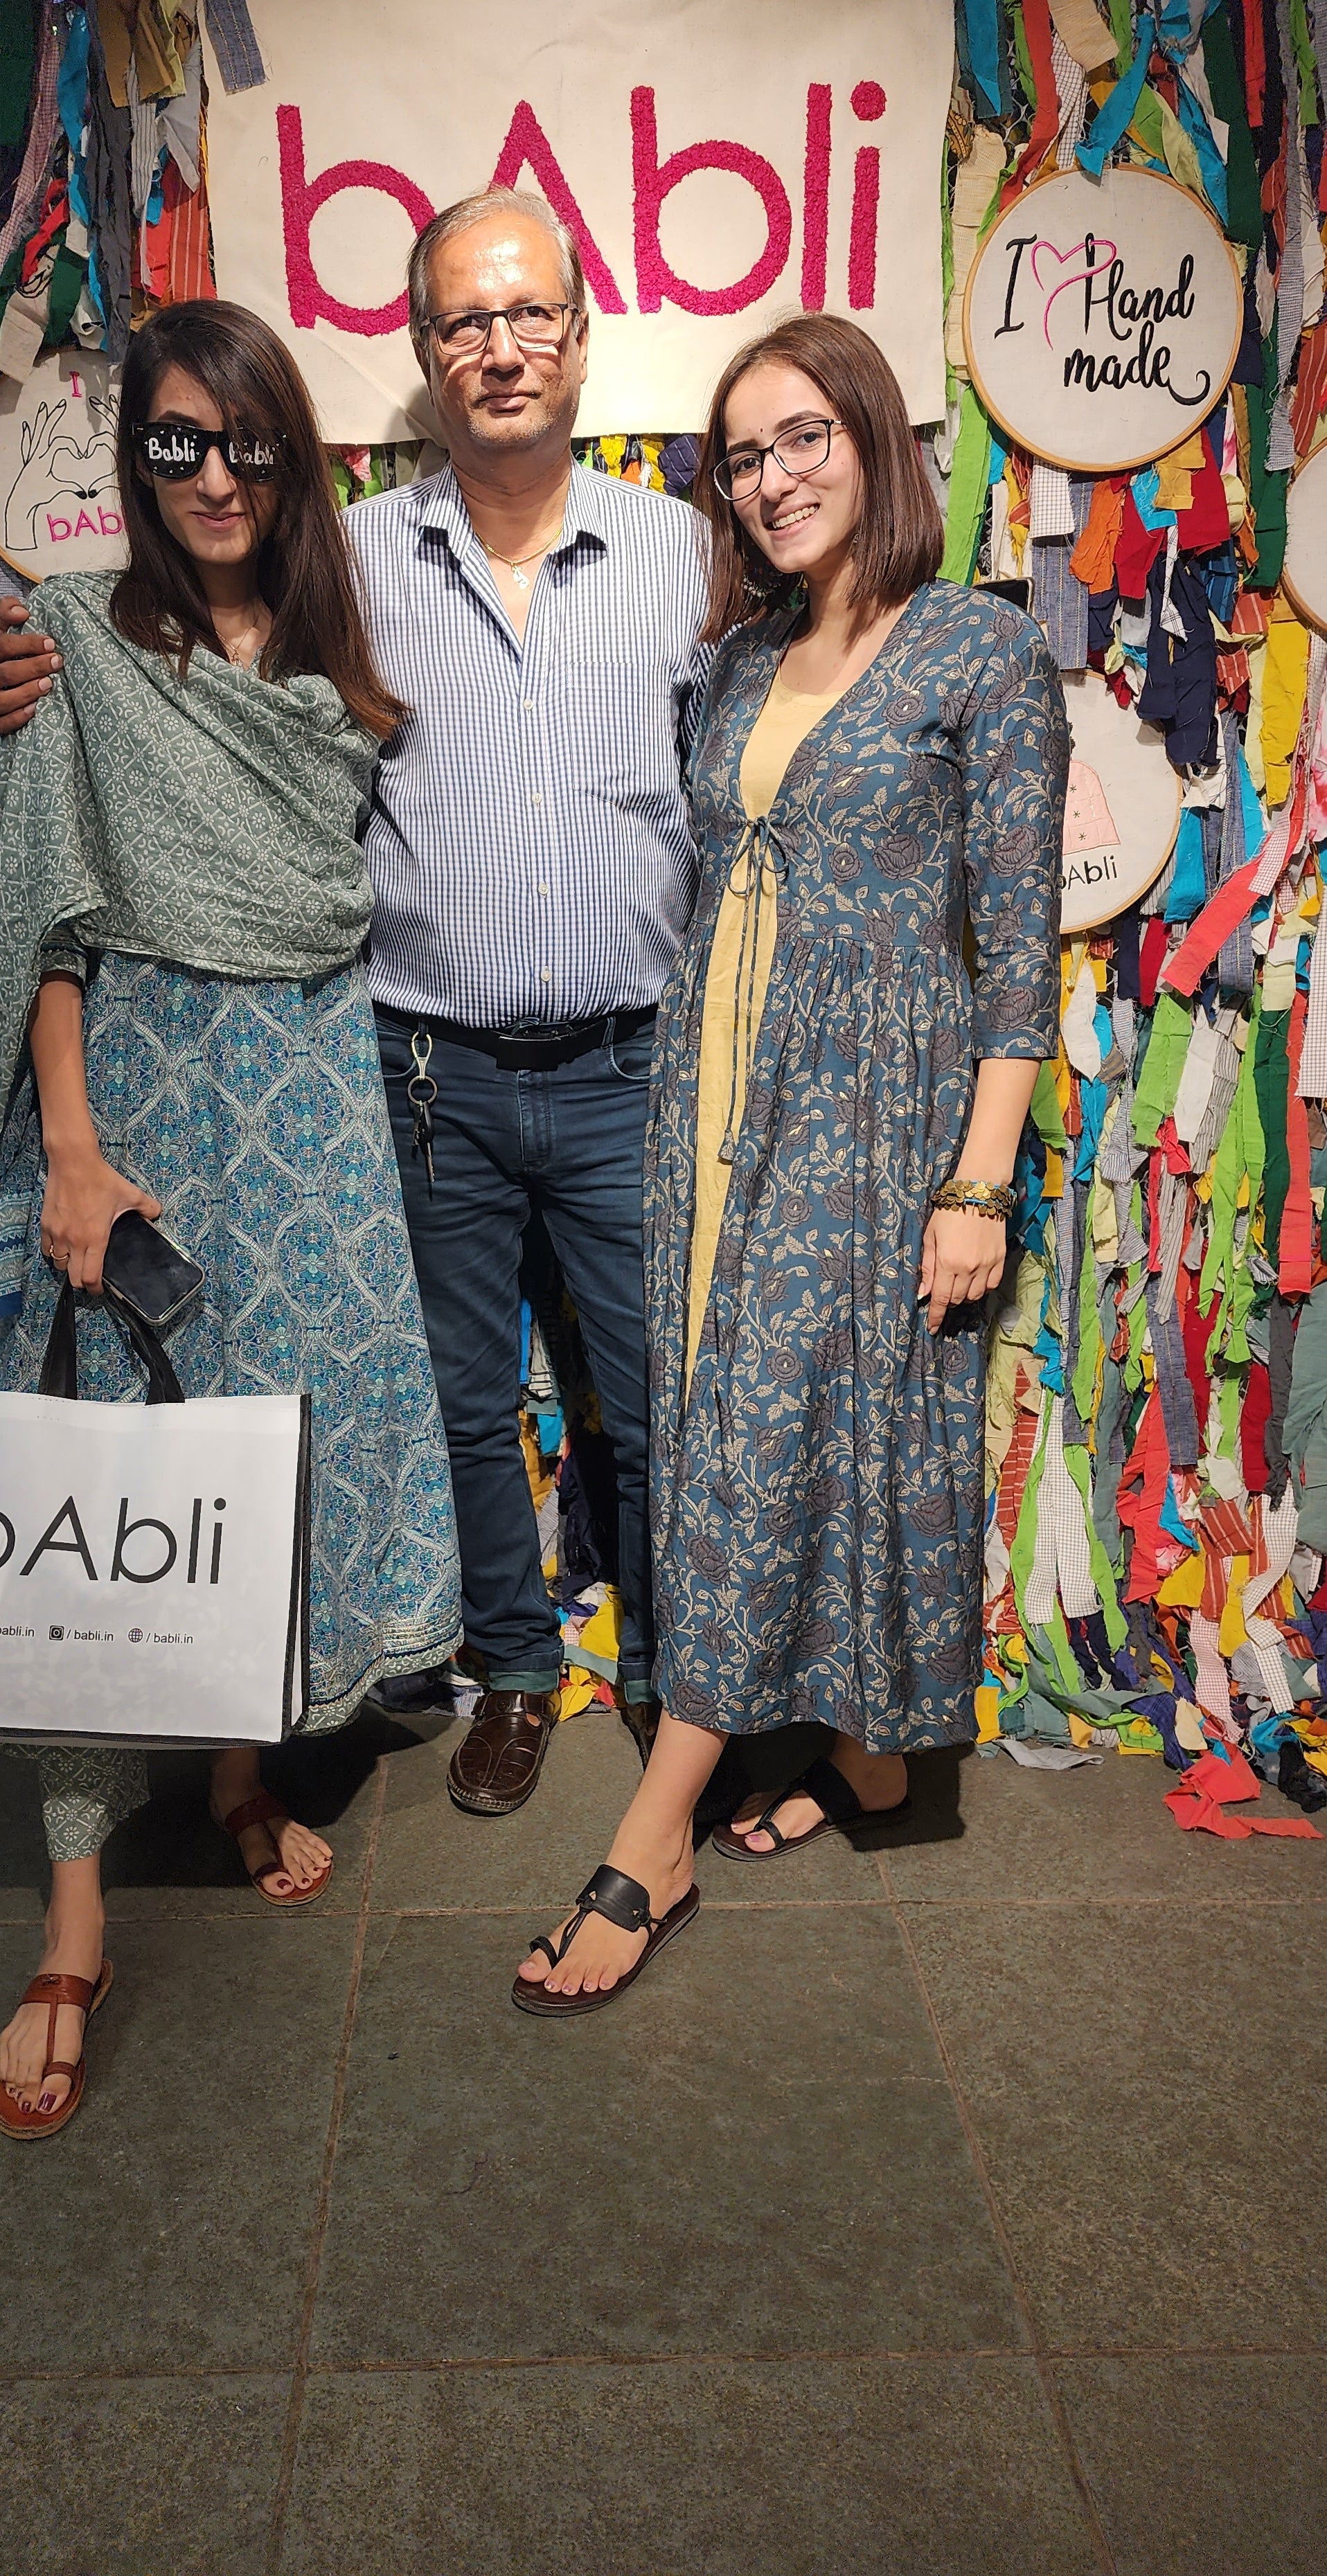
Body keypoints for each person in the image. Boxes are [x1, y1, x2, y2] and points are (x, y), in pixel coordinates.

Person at [0, 189, 711, 1820]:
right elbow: (167, 679)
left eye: (528, 313)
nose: (499, 348)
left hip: (626, 1068)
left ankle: (674, 1678)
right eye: (463, 321)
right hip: (417, 1074)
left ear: (582, 334)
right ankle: (512, 1670)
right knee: (456, 1402)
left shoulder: (686, 554)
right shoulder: (349, 562)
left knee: (655, 1394)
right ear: (425, 352)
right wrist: (13, 672)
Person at [513, 313, 1069, 2014]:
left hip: (874, 1114)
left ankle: (655, 1835)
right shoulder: (744, 655)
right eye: (744, 456)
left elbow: (1018, 954)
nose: (772, 478)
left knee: (769, 1425)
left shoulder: (977, 648)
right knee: (734, 1421)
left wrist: (976, 1184)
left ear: (875, 437)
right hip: (715, 1097)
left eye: (803, 436)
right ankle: (866, 1753)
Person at [0, 298, 460, 2136]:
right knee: (107, 1465)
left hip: (307, 1100)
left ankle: (240, 1769)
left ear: (288, 457)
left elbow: (335, 890)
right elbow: (53, 904)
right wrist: (72, 1149)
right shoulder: (78, 638)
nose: (215, 477)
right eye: (176, 443)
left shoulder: (327, 658)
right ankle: (75, 1916)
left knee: (259, 1443)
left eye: (245, 443)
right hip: (145, 1099)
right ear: (137, 461)